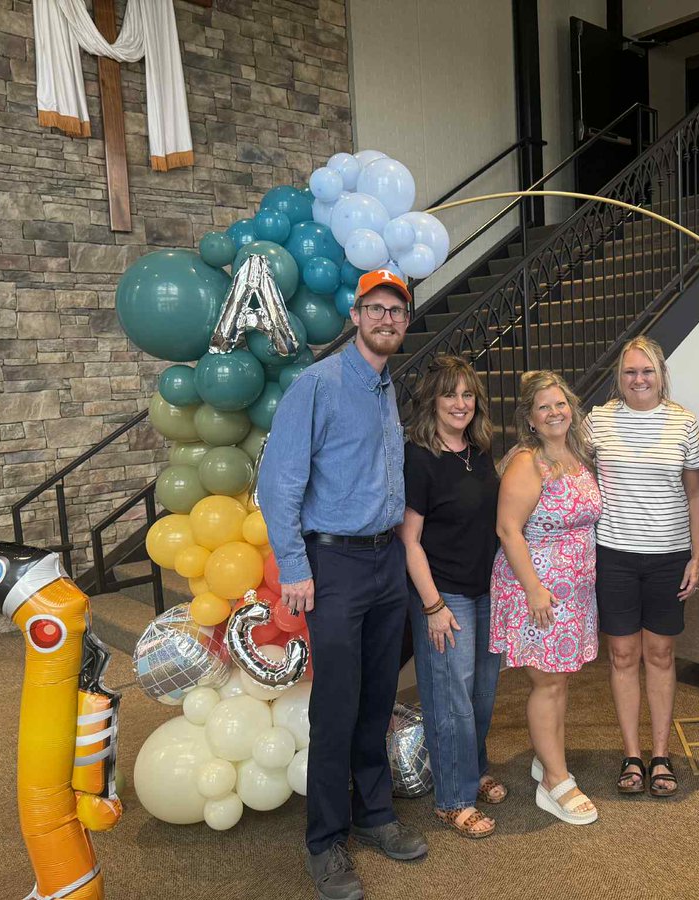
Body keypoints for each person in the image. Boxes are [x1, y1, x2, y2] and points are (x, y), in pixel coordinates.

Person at [258, 268, 427, 900]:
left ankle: (375, 813)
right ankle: (325, 841)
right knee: (336, 705)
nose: (388, 320)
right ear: (356, 316)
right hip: (335, 566)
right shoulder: (319, 385)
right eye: (376, 309)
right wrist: (296, 569)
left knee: (378, 696)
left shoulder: (387, 387)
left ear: (405, 324)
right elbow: (278, 484)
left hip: (386, 563)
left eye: (398, 312)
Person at [584, 337, 699, 798]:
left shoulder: (683, 423)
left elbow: (696, 493)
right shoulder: (598, 421)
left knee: (659, 655)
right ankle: (631, 754)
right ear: (620, 376)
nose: (639, 380)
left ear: (661, 375)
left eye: (647, 371)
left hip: (669, 557)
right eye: (631, 372)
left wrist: (696, 555)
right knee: (621, 656)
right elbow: (573, 471)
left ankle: (660, 754)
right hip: (613, 555)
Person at [396, 355, 506, 840]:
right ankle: (452, 799)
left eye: (467, 394)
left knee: (482, 692)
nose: (460, 404)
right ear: (432, 402)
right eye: (450, 394)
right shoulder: (418, 457)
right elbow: (409, 539)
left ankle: (473, 768)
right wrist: (433, 605)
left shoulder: (480, 450)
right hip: (446, 596)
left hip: (487, 590)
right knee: (450, 700)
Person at [489, 370, 602, 826]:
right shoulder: (527, 462)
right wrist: (535, 589)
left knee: (560, 680)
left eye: (560, 404)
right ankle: (555, 781)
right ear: (530, 420)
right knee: (547, 683)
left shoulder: (577, 454)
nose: (555, 413)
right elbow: (507, 529)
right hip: (536, 590)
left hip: (575, 590)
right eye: (544, 408)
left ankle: (546, 756)